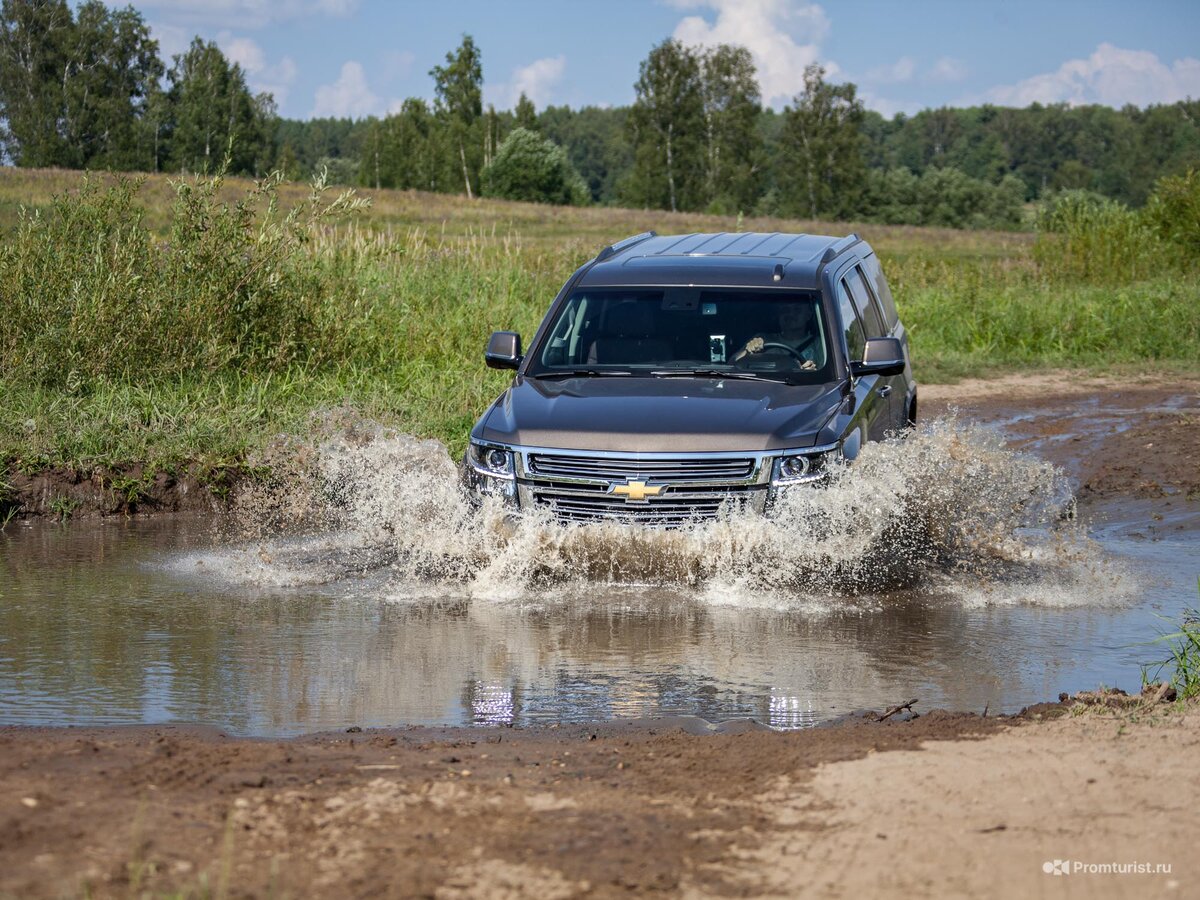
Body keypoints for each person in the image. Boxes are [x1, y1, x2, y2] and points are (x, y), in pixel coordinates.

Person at [732, 302, 821, 368]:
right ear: (779, 315)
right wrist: (748, 351)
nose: (790, 314)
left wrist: (810, 371)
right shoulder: (762, 339)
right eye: (785, 310)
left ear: (808, 315)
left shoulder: (819, 345)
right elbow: (732, 364)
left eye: (797, 310)